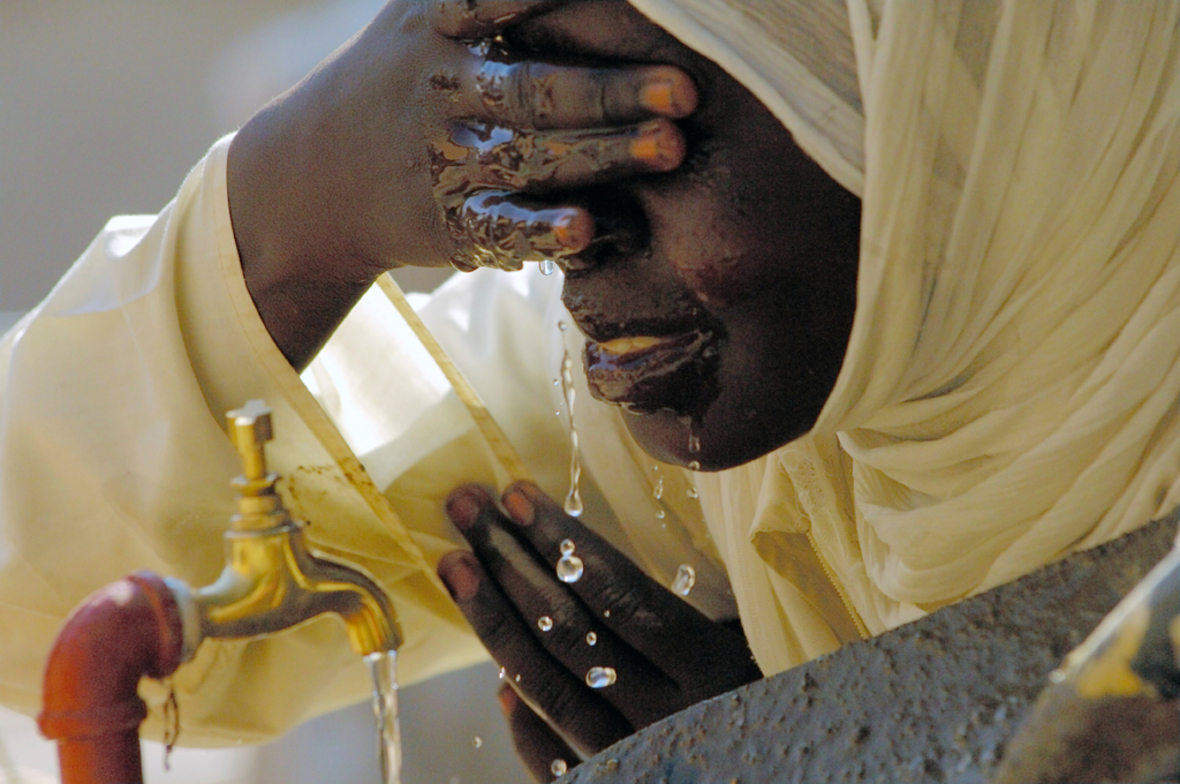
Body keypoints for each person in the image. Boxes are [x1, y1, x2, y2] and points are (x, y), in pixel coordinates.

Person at [2, 0, 1179, 779]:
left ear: (937, 111)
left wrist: (819, 746)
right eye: (505, 127)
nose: (559, 232)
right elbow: (38, 592)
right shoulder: (764, 425)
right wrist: (291, 206)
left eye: (627, 130)